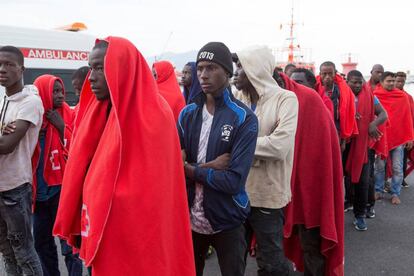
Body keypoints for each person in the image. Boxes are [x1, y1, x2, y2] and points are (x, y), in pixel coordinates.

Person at [53, 37, 195, 275]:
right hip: (96, 225)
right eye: (91, 68)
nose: (92, 77)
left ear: (123, 67)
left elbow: (154, 195)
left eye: (100, 68)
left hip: (136, 237)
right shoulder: (94, 112)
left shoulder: (155, 116)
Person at [179, 42, 258, 276]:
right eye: (200, 68)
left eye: (211, 68)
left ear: (227, 72)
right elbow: (172, 167)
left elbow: (234, 181)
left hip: (228, 218)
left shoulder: (244, 118)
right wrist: (207, 168)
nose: (203, 75)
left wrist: (188, 169)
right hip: (189, 218)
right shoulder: (187, 113)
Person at [233, 46, 298, 276]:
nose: (235, 72)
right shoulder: (236, 98)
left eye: (240, 66)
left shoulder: (285, 100)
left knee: (271, 261)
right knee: (233, 259)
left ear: (255, 68)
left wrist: (237, 147)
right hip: (236, 192)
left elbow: (279, 146)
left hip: (267, 194)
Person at [273, 70, 344, 276]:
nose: (295, 86)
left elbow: (321, 157)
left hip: (309, 190)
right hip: (279, 186)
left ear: (313, 84)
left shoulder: (312, 101)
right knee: (274, 244)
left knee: (310, 244)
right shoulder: (275, 101)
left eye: (300, 82)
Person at [0, 46, 44, 275]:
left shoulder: (30, 102)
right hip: (2, 186)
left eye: (9, 64)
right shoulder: (5, 100)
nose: (2, 69)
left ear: (22, 69)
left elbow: (7, 146)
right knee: (7, 252)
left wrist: (3, 137)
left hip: (15, 188)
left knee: (24, 253)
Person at [344, 70, 387, 231]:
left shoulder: (370, 95)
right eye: (353, 82)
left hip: (362, 146)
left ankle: (360, 215)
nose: (357, 85)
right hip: (344, 143)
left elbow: (383, 114)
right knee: (342, 180)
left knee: (362, 181)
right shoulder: (341, 95)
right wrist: (348, 116)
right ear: (347, 82)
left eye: (359, 82)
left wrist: (373, 124)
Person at [373, 71, 414, 204]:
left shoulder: (402, 96)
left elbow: (407, 119)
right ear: (382, 82)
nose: (392, 83)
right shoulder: (375, 95)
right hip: (381, 138)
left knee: (397, 167)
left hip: (397, 138)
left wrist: (409, 137)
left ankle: (395, 193)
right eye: (389, 81)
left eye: (393, 81)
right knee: (379, 167)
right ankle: (378, 190)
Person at [315, 61, 358, 146]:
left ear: (335, 74)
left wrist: (344, 139)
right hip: (318, 130)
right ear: (320, 74)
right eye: (324, 74)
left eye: (330, 74)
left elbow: (346, 114)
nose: (327, 77)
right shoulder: (314, 88)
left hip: (336, 130)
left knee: (337, 156)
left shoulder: (342, 90)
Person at [395, 71, 414, 187]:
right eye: (398, 81)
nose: (400, 83)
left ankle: (400, 180)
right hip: (392, 131)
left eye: (402, 81)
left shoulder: (408, 97)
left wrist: (411, 135)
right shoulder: (389, 95)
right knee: (385, 161)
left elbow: (412, 116)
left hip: (405, 133)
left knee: (402, 158)